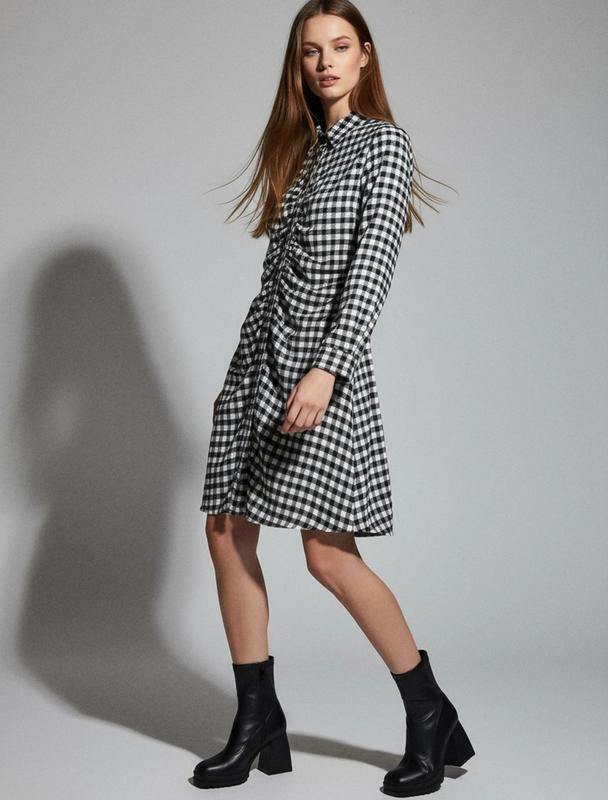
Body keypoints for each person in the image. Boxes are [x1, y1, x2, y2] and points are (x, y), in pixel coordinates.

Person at [192, 1, 474, 796]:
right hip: (258, 367)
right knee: (225, 532)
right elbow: (274, 283)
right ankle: (257, 721)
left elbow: (371, 270)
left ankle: (429, 710)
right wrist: (236, 379)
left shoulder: (384, 145)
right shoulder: (303, 150)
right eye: (311, 51)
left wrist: (327, 369)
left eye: (340, 46)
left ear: (365, 56)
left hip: (322, 370)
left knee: (327, 554)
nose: (325, 63)